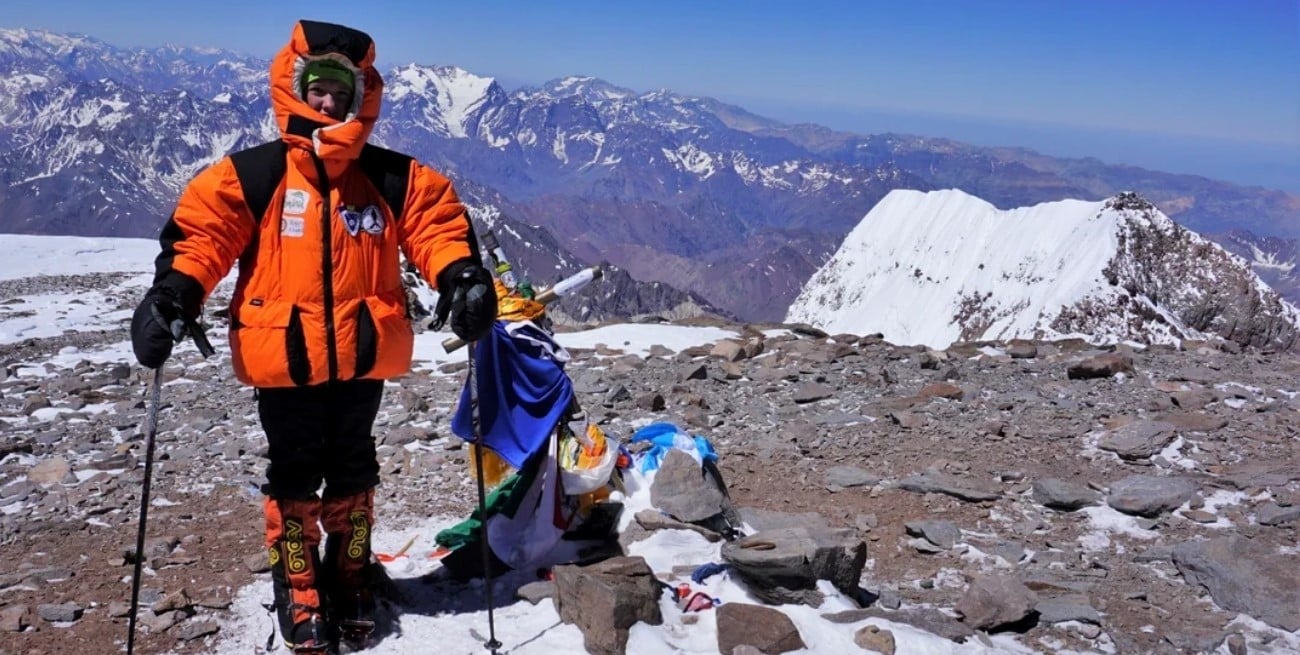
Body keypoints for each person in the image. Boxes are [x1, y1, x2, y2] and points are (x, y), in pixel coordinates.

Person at [128, 19, 497, 653]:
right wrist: (173, 295)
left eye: (341, 91)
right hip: (285, 361)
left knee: (354, 466)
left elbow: (436, 226)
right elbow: (203, 237)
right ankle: (297, 584)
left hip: (360, 357)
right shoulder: (256, 175)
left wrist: (460, 275)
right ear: (296, 87)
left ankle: (350, 572)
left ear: (361, 98)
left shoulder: (390, 178)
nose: (329, 102)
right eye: (319, 86)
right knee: (294, 473)